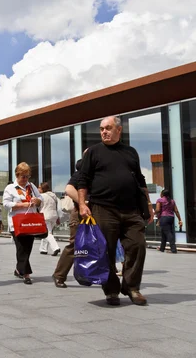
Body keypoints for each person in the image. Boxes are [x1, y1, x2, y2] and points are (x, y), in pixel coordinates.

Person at [78, 116, 153, 306]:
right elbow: (83, 179)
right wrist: (82, 204)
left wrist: (149, 205)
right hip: (103, 208)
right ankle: (111, 291)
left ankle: (131, 287)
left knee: (138, 245)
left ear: (118, 130)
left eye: (108, 128)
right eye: (102, 128)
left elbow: (140, 180)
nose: (104, 131)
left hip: (131, 209)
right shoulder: (93, 152)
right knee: (107, 251)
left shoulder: (130, 152)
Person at [3, 162, 43, 285]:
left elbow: (40, 199)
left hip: (30, 222)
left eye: (27, 176)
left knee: (28, 248)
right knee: (21, 248)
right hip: (17, 223)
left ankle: (18, 269)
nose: (25, 179)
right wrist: (21, 205)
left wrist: (37, 200)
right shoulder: (10, 188)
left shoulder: (31, 186)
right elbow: (6, 204)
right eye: (23, 177)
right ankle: (26, 274)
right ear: (17, 175)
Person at [52, 156, 85, 288]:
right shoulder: (81, 173)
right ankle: (59, 275)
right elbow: (69, 189)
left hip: (98, 214)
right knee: (75, 245)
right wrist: (84, 203)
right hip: (79, 214)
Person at [38, 182, 61, 256]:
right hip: (54, 216)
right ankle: (43, 249)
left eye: (39, 187)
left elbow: (38, 207)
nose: (38, 189)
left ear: (42, 188)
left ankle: (55, 248)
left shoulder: (41, 196)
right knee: (47, 231)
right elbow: (57, 207)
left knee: (48, 233)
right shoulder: (53, 195)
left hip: (45, 216)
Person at [156, 189, 182, 254]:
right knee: (164, 233)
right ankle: (162, 248)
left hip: (164, 217)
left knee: (168, 233)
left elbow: (158, 210)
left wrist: (153, 213)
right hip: (171, 218)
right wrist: (180, 220)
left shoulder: (160, 200)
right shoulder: (172, 201)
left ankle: (173, 249)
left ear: (162, 194)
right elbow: (176, 211)